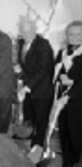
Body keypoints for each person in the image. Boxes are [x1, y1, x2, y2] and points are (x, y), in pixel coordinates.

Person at [16, 17, 54, 163]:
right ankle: (30, 142)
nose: (25, 35)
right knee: (29, 118)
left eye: (28, 31)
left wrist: (25, 88)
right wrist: (20, 73)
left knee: (41, 122)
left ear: (34, 30)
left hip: (42, 92)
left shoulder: (43, 45)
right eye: (22, 32)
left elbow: (41, 70)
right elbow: (25, 66)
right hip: (29, 90)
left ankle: (38, 152)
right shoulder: (21, 43)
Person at [55, 21, 82, 167]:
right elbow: (58, 69)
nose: (75, 37)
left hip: (78, 100)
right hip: (63, 98)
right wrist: (61, 76)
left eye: (79, 34)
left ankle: (73, 159)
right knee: (64, 128)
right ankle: (67, 157)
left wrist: (69, 95)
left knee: (75, 131)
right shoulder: (63, 52)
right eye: (71, 34)